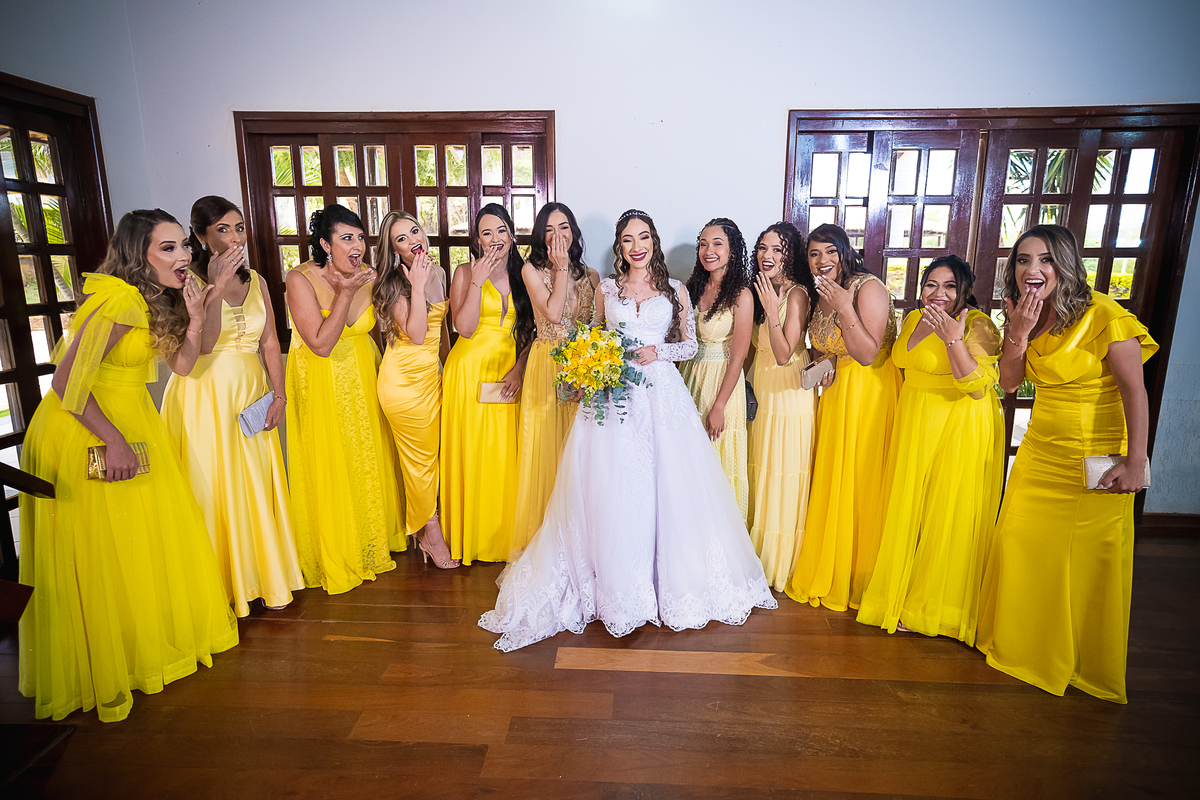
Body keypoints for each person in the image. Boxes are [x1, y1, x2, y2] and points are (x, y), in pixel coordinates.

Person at [479, 209, 777, 652]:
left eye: (643, 238)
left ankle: (663, 580)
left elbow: (690, 345)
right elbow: (595, 335)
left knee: (665, 484)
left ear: (653, 242)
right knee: (612, 484)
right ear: (619, 247)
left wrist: (660, 352)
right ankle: (613, 579)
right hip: (612, 393)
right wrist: (588, 370)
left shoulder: (676, 289)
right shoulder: (607, 289)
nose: (636, 247)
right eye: (627, 240)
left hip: (661, 394)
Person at [18, 209, 239, 723]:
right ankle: (101, 663)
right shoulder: (118, 299)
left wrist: (203, 308)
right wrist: (114, 441)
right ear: (139, 254)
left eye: (184, 245)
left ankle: (133, 651)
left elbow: (186, 365)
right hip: (86, 426)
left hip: (131, 419)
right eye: (168, 247)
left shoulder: (157, 297)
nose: (183, 255)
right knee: (102, 543)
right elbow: (67, 383)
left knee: (134, 539)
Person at [976, 225, 1156, 704]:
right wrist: (1016, 335)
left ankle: (1076, 661)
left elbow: (1135, 392)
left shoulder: (1106, 315)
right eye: (1023, 260)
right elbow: (1009, 383)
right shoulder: (1025, 314)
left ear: (1067, 265)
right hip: (1041, 452)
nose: (1032, 270)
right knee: (1019, 542)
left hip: (1096, 458)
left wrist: (1136, 462)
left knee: (1084, 563)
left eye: (1045, 260)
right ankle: (1023, 648)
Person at [161, 196, 303, 615]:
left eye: (239, 227)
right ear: (201, 237)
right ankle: (221, 586)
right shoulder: (185, 284)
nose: (235, 237)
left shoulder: (257, 280)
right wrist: (216, 288)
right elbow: (203, 347)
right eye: (222, 229)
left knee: (255, 482)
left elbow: (271, 342)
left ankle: (262, 578)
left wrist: (279, 395)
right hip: (204, 397)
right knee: (214, 486)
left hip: (251, 393)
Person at [857, 256, 1003, 643]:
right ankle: (904, 592)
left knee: (946, 512)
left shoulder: (977, 325)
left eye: (950, 286)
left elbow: (977, 387)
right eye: (931, 285)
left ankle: (935, 607)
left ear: (966, 291)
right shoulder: (913, 318)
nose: (939, 293)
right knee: (913, 510)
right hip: (915, 421)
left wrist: (953, 338)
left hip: (957, 424)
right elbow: (900, 364)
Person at [285, 204, 403, 594]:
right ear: (325, 244)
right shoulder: (300, 279)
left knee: (366, 457)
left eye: (361, 238)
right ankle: (340, 550)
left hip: (364, 374)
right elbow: (320, 344)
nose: (357, 246)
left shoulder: (369, 275)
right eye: (347, 238)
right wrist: (346, 293)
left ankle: (372, 540)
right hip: (320, 381)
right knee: (331, 463)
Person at [785, 223, 901, 611]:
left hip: (869, 395)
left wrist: (845, 306)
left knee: (862, 480)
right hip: (836, 396)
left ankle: (862, 574)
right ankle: (835, 565)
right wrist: (826, 361)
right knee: (836, 477)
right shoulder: (819, 293)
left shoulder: (867, 287)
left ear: (845, 252)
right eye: (814, 254)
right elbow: (828, 347)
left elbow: (868, 354)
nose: (822, 260)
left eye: (830, 252)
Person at [441, 203, 533, 564]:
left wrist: (520, 368)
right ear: (477, 240)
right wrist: (477, 281)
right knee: (474, 452)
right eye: (486, 233)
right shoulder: (465, 272)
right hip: (469, 372)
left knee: (505, 455)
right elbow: (463, 328)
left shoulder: (525, 273)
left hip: (509, 371)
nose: (495, 238)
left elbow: (534, 332)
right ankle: (474, 536)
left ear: (511, 233)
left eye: (500, 230)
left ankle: (504, 537)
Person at [511, 203, 599, 551]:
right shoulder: (531, 269)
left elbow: (594, 325)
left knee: (579, 452)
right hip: (547, 364)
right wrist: (561, 269)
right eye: (549, 229)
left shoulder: (591, 275)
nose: (557, 235)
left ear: (574, 232)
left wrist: (591, 368)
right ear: (540, 236)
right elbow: (552, 312)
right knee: (548, 449)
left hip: (581, 367)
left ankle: (580, 540)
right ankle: (548, 542)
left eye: (564, 227)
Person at [372, 211, 458, 569]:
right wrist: (418, 286)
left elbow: (440, 333)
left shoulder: (439, 272)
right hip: (403, 385)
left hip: (430, 378)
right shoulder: (393, 283)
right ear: (394, 251)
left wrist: (450, 370)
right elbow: (418, 335)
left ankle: (426, 523)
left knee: (434, 457)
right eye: (401, 239)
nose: (413, 241)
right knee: (420, 463)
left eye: (414, 231)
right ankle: (429, 533)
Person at [746, 222, 818, 590]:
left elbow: (783, 353)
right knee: (761, 467)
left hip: (788, 391)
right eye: (762, 247)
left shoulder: (797, 294)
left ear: (790, 255)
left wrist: (773, 312)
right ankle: (752, 556)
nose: (767, 255)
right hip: (764, 386)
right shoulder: (762, 289)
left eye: (777, 249)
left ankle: (776, 562)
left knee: (781, 469)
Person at [679, 217, 758, 523]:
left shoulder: (741, 294)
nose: (708, 250)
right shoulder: (693, 287)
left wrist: (720, 406)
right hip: (690, 377)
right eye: (703, 244)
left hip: (722, 384)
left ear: (732, 250)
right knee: (688, 460)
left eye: (717, 244)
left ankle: (720, 537)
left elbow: (739, 356)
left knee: (717, 460)